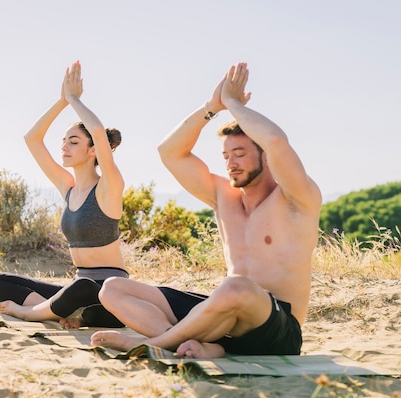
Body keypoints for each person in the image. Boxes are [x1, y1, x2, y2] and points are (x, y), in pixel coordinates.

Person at [91, 62, 322, 358]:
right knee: (112, 289)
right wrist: (212, 106)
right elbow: (169, 152)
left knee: (237, 287)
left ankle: (155, 345)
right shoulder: (222, 195)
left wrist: (234, 103)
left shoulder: (296, 197)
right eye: (226, 156)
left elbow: (276, 141)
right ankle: (198, 345)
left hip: (277, 329)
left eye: (239, 154)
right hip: (223, 317)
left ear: (265, 158)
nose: (230, 163)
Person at [0, 61, 128, 328]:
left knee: (84, 290)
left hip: (109, 292)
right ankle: (59, 312)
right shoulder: (69, 187)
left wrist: (75, 99)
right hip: (77, 287)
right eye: (63, 140)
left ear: (93, 150)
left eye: (73, 142)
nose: (64, 146)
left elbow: (97, 131)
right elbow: (32, 139)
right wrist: (62, 101)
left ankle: (32, 312)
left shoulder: (109, 186)